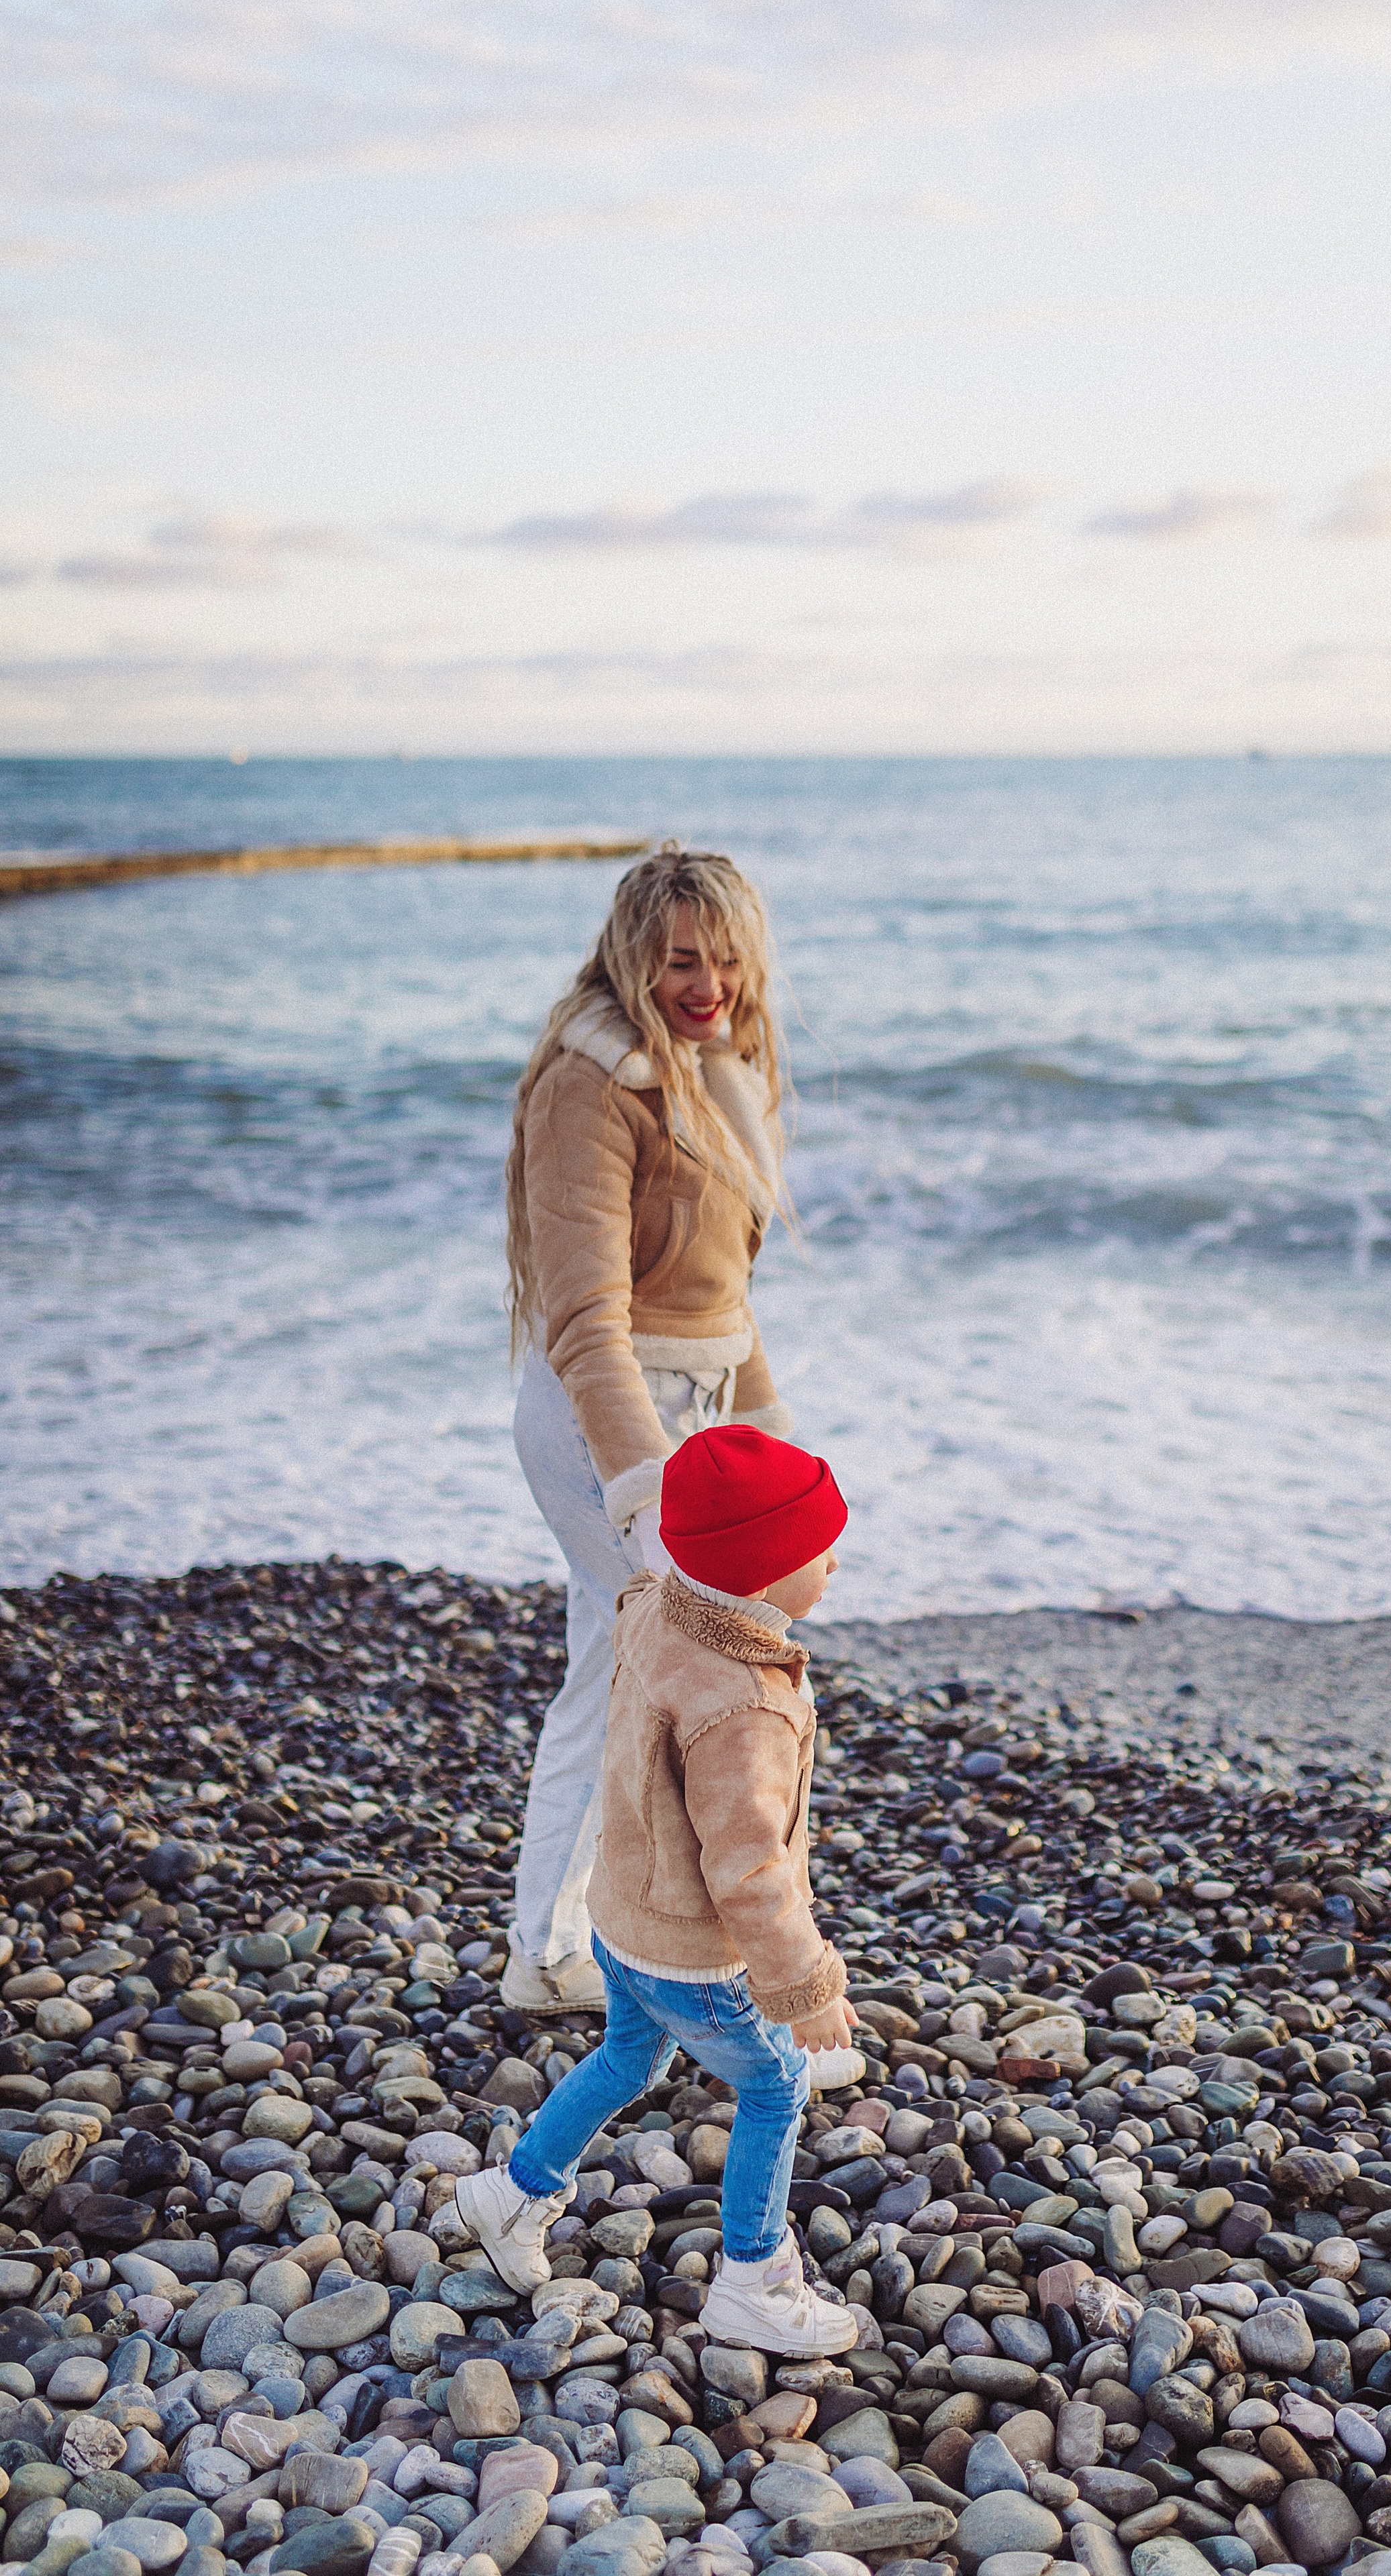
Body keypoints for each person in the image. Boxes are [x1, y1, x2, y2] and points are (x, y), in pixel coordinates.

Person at [457, 1424, 862, 2355]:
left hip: (621, 1916)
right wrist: (806, 1993)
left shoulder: (652, 1606)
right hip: (692, 1953)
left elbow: (662, 1550)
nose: (835, 1562)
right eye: (818, 1549)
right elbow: (749, 1869)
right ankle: (754, 2281)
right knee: (776, 2086)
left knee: (628, 2062)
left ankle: (513, 2192)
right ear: (763, 1573)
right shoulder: (745, 1705)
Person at [503, 847, 795, 2012]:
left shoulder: (713, 1072)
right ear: (633, 958)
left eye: (726, 959)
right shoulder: (594, 1084)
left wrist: (777, 1438)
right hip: (606, 1416)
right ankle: (572, 1949)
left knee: (630, 1673)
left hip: (699, 1409)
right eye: (681, 961)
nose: (708, 983)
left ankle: (592, 1944)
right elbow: (584, 1319)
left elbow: (725, 1291)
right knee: (631, 1673)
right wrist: (641, 1487)